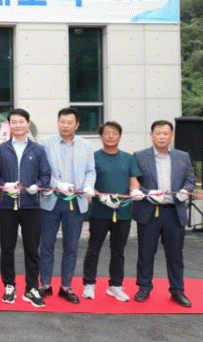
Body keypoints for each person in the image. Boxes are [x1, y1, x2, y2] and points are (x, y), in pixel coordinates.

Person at [0, 108, 51, 308]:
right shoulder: (1, 149)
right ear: (9, 125)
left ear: (28, 124)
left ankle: (31, 288)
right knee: (7, 248)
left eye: (21, 121)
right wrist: (4, 184)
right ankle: (9, 285)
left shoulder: (38, 150)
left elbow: (46, 175)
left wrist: (37, 186)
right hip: (7, 205)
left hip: (31, 206)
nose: (17, 125)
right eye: (13, 122)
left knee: (32, 249)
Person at [132, 120, 195, 308]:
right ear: (151, 135)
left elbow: (190, 180)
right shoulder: (139, 156)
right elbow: (135, 183)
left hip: (173, 211)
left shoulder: (183, 157)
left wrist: (185, 191)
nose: (161, 137)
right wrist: (147, 192)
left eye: (165, 133)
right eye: (158, 133)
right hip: (150, 211)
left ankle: (177, 290)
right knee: (146, 252)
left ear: (171, 136)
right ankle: (144, 287)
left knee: (175, 254)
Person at [39, 107, 95, 304]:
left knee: (71, 246)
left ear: (77, 124)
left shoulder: (86, 145)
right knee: (47, 244)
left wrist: (88, 186)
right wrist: (57, 184)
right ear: (58, 123)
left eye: (69, 122)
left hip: (76, 203)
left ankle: (66, 285)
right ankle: (45, 284)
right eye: (62, 122)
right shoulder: (46, 144)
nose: (65, 125)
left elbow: (90, 171)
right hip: (51, 201)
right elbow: (43, 171)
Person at [81, 121, 141, 302]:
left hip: (123, 212)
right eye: (106, 133)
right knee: (94, 248)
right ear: (101, 136)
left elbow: (133, 180)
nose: (110, 136)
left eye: (114, 133)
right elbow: (88, 182)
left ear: (120, 136)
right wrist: (100, 197)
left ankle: (115, 285)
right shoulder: (94, 157)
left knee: (118, 250)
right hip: (100, 210)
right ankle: (89, 284)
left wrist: (135, 191)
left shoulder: (128, 158)